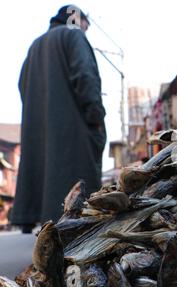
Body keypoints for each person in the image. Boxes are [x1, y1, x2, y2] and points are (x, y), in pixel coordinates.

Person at [12, 5, 107, 233]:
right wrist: (96, 118)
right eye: (85, 24)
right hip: (73, 130)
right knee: (76, 189)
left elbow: (22, 86)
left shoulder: (35, 46)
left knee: (46, 175)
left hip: (42, 129)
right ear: (76, 19)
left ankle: (43, 228)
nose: (85, 29)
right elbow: (85, 77)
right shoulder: (73, 35)